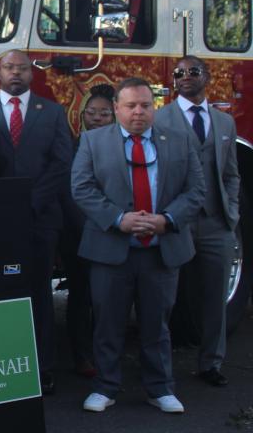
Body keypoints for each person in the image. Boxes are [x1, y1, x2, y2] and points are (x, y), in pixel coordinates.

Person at [72, 77, 204, 414]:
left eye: (145, 105)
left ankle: (160, 388)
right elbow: (82, 188)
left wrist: (167, 220)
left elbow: (196, 191)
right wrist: (118, 219)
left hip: (161, 249)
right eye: (130, 105)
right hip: (110, 248)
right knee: (107, 322)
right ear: (117, 108)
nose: (138, 112)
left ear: (154, 107)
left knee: (157, 322)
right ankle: (105, 387)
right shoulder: (92, 141)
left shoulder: (179, 141)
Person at [0, 49, 72, 394]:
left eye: (23, 69)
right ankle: (2, 365)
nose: (16, 74)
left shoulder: (54, 113)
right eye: (9, 68)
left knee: (39, 293)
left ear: (32, 75)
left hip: (41, 219)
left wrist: (31, 203)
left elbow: (62, 164)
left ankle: (43, 368)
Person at [155, 56, 240, 387]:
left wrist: (231, 212)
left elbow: (231, 173)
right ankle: (160, 369)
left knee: (215, 297)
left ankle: (211, 363)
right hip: (176, 222)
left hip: (217, 223)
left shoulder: (225, 123)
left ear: (207, 76)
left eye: (193, 72)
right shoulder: (159, 120)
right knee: (164, 298)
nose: (185, 77)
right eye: (179, 73)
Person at [61, 83, 115, 378]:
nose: (96, 118)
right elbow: (70, 191)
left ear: (114, 116)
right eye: (91, 112)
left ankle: (107, 354)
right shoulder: (72, 145)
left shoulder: (123, 148)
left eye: (104, 113)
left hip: (114, 232)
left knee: (108, 300)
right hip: (79, 233)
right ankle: (82, 356)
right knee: (81, 295)